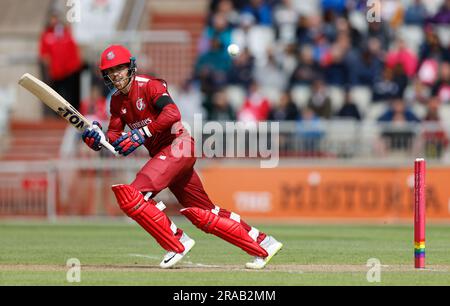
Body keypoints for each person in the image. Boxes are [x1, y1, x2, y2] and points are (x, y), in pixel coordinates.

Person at [81, 45, 283, 269]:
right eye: (110, 71)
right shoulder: (117, 102)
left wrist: (143, 133)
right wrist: (97, 139)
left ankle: (176, 241)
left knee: (133, 196)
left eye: (119, 68)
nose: (116, 74)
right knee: (205, 214)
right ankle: (264, 243)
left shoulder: (150, 86)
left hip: (178, 146)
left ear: (130, 67)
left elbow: (172, 113)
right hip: (168, 156)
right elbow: (115, 140)